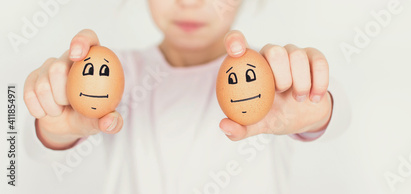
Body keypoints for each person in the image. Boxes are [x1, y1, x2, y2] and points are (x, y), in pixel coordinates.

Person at [21, 0, 349, 193]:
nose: (189, 2)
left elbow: (340, 117)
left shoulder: (274, 79)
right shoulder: (119, 73)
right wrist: (53, 124)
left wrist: (317, 105)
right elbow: (35, 147)